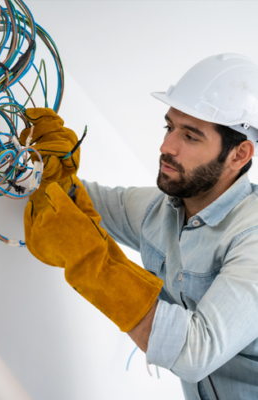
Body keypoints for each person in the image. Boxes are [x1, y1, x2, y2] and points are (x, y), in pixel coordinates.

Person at [21, 53, 258, 400]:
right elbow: (76, 198)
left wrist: (92, 262)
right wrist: (52, 168)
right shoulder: (160, 210)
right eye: (170, 127)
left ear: (239, 154)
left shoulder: (250, 237)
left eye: (191, 137)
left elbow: (195, 351)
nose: (166, 147)